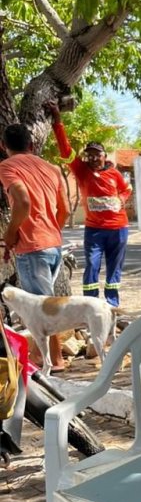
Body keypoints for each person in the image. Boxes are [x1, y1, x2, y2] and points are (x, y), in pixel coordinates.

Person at [45, 102, 131, 307]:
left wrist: (122, 199)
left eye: (97, 154)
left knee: (114, 268)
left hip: (119, 229)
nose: (93, 158)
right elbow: (65, 149)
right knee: (92, 264)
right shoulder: (81, 170)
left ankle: (112, 304)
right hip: (94, 231)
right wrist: (58, 120)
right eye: (89, 155)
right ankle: (91, 304)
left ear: (104, 156)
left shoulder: (114, 174)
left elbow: (127, 189)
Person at [0, 123, 69, 372]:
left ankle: (55, 360)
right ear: (31, 144)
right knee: (48, 302)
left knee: (42, 307)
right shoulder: (52, 168)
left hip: (32, 248)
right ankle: (45, 356)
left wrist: (11, 233)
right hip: (53, 243)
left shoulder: (7, 166)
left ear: (3, 146)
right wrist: (50, 231)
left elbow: (23, 201)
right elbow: (65, 210)